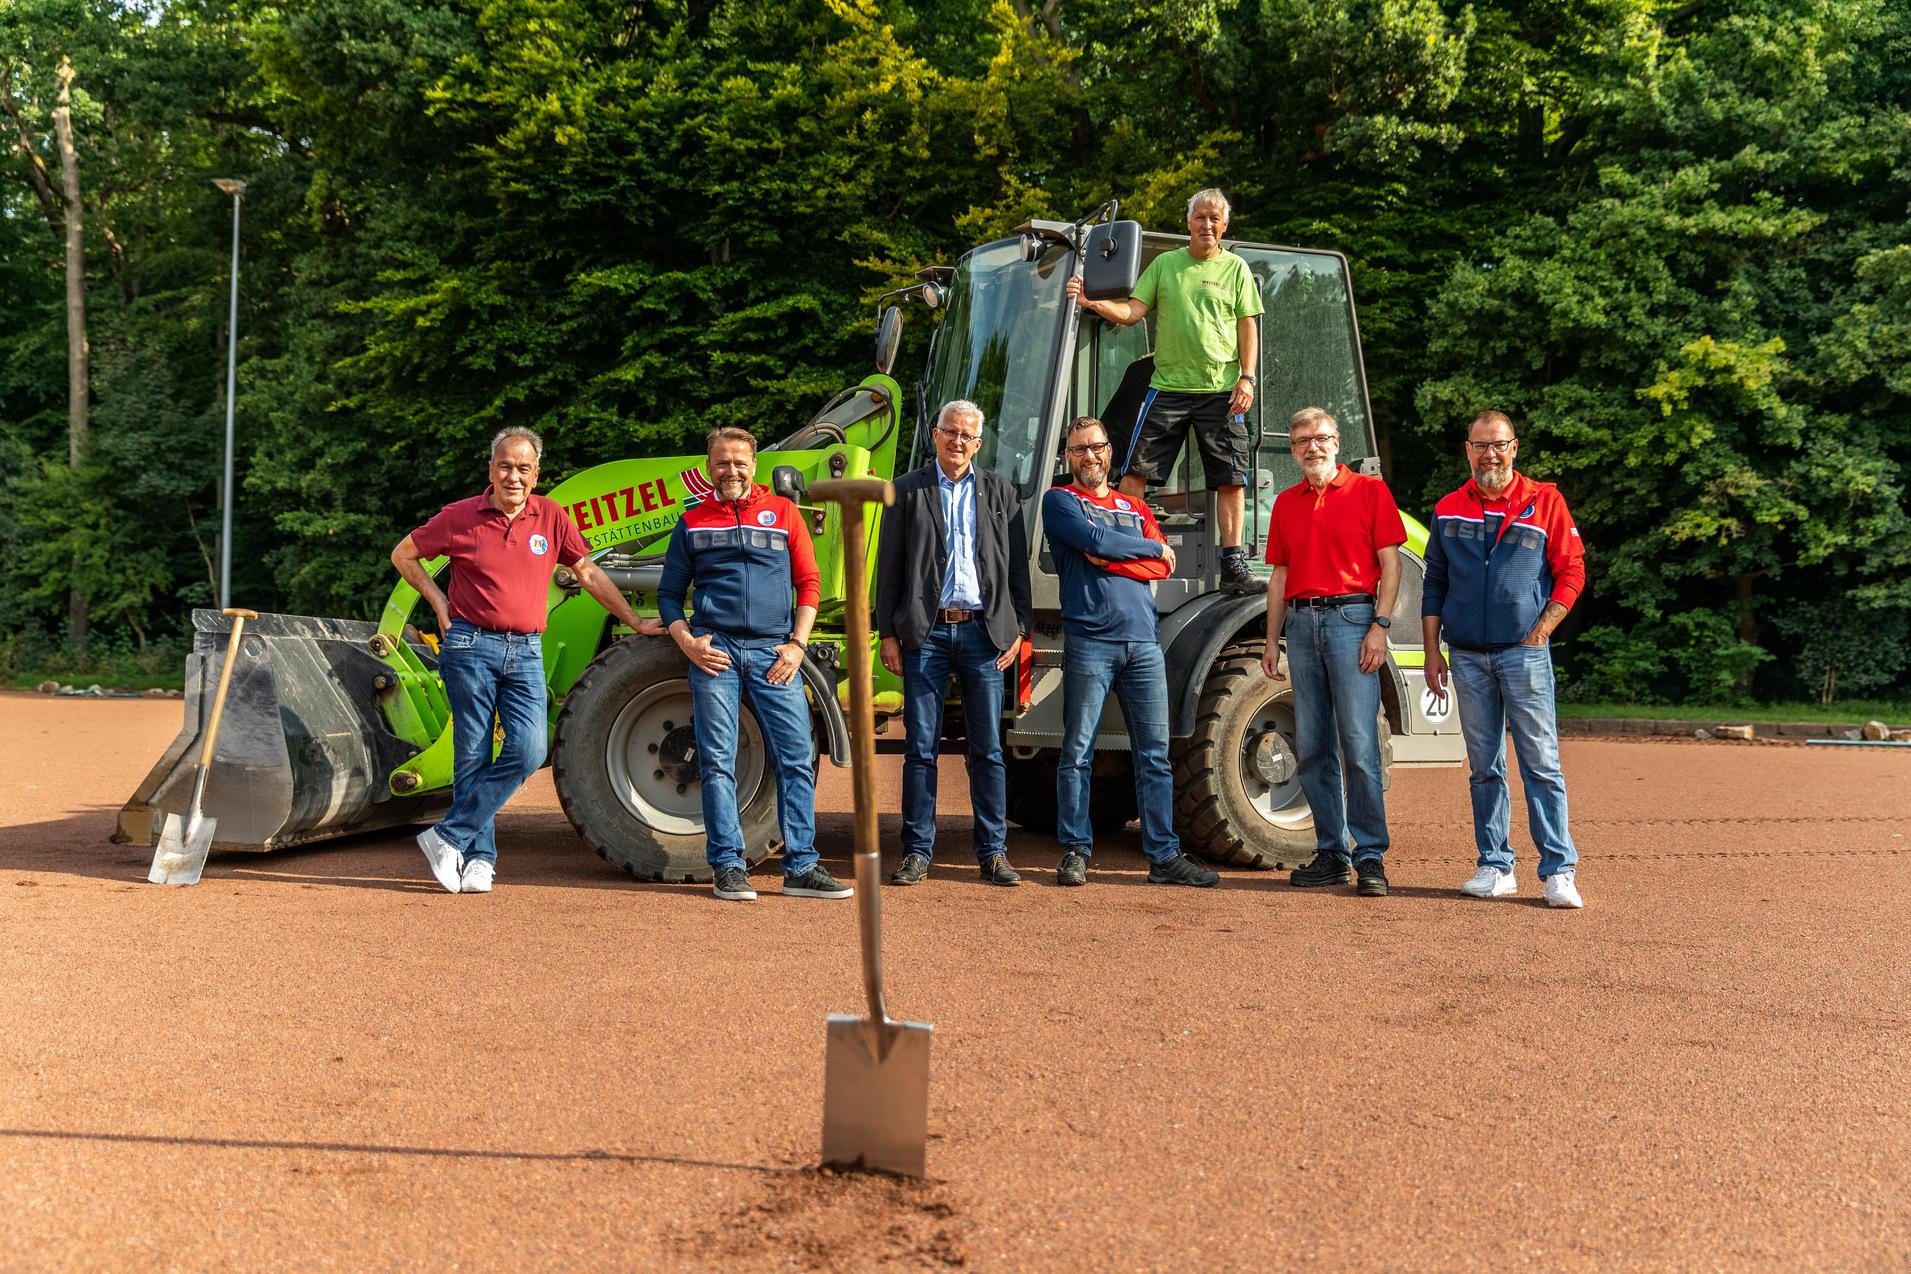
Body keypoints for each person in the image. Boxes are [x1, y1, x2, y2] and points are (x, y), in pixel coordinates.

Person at [393, 426, 661, 894]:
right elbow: (404, 555)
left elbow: (587, 572)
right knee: (472, 754)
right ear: (490, 470)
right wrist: (438, 602)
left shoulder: (551, 516)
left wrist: (635, 620)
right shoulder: (460, 516)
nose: (513, 476)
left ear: (536, 474)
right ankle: (479, 859)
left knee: (531, 749)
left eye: (523, 468)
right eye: (505, 466)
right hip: (470, 646)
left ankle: (448, 836)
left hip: (526, 650)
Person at [656, 426, 852, 903]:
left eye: (739, 462)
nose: (731, 471)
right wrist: (688, 643)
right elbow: (668, 595)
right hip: (716, 654)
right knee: (717, 762)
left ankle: (801, 868)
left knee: (796, 759)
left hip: (773, 654)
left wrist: (797, 646)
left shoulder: (784, 513)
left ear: (754, 465)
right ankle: (728, 867)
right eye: (722, 462)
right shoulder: (692, 522)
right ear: (709, 467)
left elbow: (809, 582)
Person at [1041, 416, 1220, 889]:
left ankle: (1163, 857)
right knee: (1077, 751)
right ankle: (1075, 851)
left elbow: (1160, 565)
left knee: (1155, 756)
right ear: (1068, 456)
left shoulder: (1135, 505)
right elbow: (1097, 543)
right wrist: (1144, 550)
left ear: (1109, 451)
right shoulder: (1060, 501)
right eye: (1079, 449)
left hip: (1144, 644)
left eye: (1096, 446)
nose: (1089, 456)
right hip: (1090, 641)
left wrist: (1121, 555)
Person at [1423, 411, 1588, 909]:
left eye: (1498, 445)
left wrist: (1541, 631)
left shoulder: (1546, 501)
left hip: (1524, 653)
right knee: (1483, 767)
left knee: (1542, 764)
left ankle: (1559, 871)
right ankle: (1495, 866)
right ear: (1467, 450)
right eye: (1480, 446)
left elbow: (1572, 571)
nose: (1489, 455)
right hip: (1466, 656)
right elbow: (1434, 583)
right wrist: (1432, 652)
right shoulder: (1448, 508)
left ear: (1514, 448)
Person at [1064, 188, 1264, 593]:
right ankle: (1123, 550)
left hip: (1221, 390)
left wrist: (1247, 377)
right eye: (1200, 217)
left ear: (1224, 225)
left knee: (1232, 478)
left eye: (1214, 218)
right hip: (1167, 388)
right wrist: (1090, 302)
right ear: (1188, 222)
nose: (1207, 224)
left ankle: (1233, 564)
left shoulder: (1236, 268)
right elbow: (1132, 312)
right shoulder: (1165, 265)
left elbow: (1247, 325)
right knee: (1135, 472)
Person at [876, 400, 1033, 887]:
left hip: (984, 634)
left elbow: (1017, 568)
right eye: (950, 432)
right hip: (926, 633)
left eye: (967, 435)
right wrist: (888, 633)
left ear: (978, 443)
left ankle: (993, 852)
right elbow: (889, 567)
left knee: (987, 749)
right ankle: (916, 851)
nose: (957, 441)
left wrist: (1020, 628)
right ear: (935, 435)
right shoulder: (906, 490)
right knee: (920, 748)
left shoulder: (1002, 492)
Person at [1260, 408, 1406, 897]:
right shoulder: (1286, 503)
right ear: (1293, 450)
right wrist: (1271, 640)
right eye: (1301, 441)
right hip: (1301, 625)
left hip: (1353, 619)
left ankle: (1370, 857)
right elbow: (1279, 577)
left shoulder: (1370, 492)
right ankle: (1331, 854)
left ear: (1337, 442)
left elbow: (1391, 564)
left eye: (1320, 438)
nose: (1312, 447)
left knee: (1359, 745)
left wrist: (1380, 626)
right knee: (1313, 746)